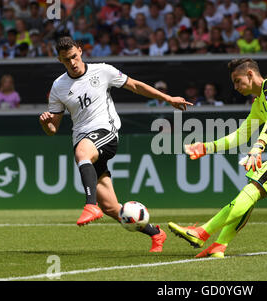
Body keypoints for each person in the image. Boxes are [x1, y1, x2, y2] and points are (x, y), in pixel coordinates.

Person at [38, 36, 192, 252]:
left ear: (80, 51)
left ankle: (90, 205)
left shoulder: (102, 71)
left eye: (74, 56)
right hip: (83, 139)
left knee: (83, 153)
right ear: (59, 60)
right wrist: (46, 124)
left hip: (106, 132)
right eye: (66, 60)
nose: (72, 62)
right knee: (111, 207)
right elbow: (53, 130)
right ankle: (156, 233)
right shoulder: (58, 86)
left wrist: (167, 99)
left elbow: (136, 86)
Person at [168, 58, 267, 258]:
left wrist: (258, 146)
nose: (235, 87)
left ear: (251, 74)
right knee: (249, 195)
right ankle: (219, 246)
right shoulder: (258, 103)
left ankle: (202, 232)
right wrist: (206, 147)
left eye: (237, 81)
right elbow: (240, 135)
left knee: (251, 189)